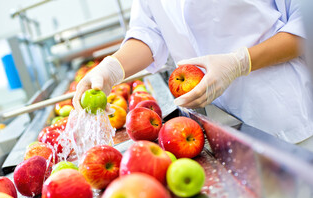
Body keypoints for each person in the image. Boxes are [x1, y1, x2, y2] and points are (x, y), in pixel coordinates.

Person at [73, 0, 313, 151]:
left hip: (283, 116)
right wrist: (112, 68)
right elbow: (149, 32)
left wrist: (241, 62)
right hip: (218, 125)